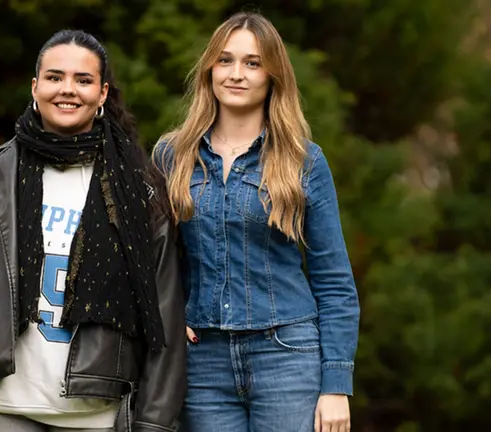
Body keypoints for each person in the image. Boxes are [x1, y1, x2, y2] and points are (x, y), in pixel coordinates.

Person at [0, 29, 187, 432]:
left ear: (102, 94)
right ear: (35, 86)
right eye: (55, 77)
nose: (68, 90)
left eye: (83, 80)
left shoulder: (138, 191)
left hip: (95, 415)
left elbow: (165, 313)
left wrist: (154, 423)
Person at [153, 12, 360, 432]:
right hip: (203, 362)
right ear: (209, 70)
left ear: (273, 75)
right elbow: (156, 261)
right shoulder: (171, 156)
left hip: (287, 355)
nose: (236, 74)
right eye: (225, 60)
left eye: (252, 62)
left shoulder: (304, 160)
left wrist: (336, 385)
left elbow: (334, 281)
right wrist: (171, 316)